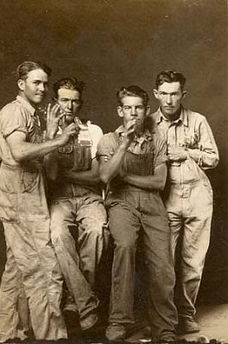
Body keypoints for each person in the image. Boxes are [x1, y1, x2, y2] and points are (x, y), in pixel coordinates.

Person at [0, 61, 77, 341]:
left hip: (29, 193)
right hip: (19, 196)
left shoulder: (33, 114)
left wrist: (52, 133)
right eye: (35, 83)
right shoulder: (15, 112)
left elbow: (44, 163)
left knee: (17, 267)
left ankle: (6, 333)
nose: (42, 88)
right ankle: (50, 335)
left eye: (44, 83)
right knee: (41, 266)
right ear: (22, 85)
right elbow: (19, 152)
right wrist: (60, 139)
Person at [97, 85, 178, 342]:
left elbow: (159, 183)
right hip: (121, 203)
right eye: (128, 108)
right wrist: (125, 144)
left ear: (146, 111)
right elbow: (105, 176)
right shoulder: (109, 140)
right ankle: (118, 321)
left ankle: (164, 327)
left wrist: (126, 176)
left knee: (163, 263)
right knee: (125, 246)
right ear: (120, 110)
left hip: (153, 204)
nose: (133, 113)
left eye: (139, 108)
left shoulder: (158, 139)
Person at [151, 70, 219, 334]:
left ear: (183, 94)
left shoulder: (197, 120)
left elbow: (213, 158)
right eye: (164, 93)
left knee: (193, 261)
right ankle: (164, 317)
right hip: (165, 196)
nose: (169, 100)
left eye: (175, 93)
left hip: (198, 195)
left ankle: (186, 314)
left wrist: (186, 153)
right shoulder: (148, 122)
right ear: (157, 94)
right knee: (163, 261)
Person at [45, 77, 108, 332]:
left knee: (97, 232)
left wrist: (65, 174)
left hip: (89, 196)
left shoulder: (93, 131)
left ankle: (74, 302)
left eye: (74, 101)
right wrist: (52, 136)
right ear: (55, 102)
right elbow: (50, 175)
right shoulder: (46, 131)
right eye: (64, 100)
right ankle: (87, 305)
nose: (69, 106)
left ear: (81, 103)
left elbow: (96, 175)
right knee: (58, 234)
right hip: (60, 198)